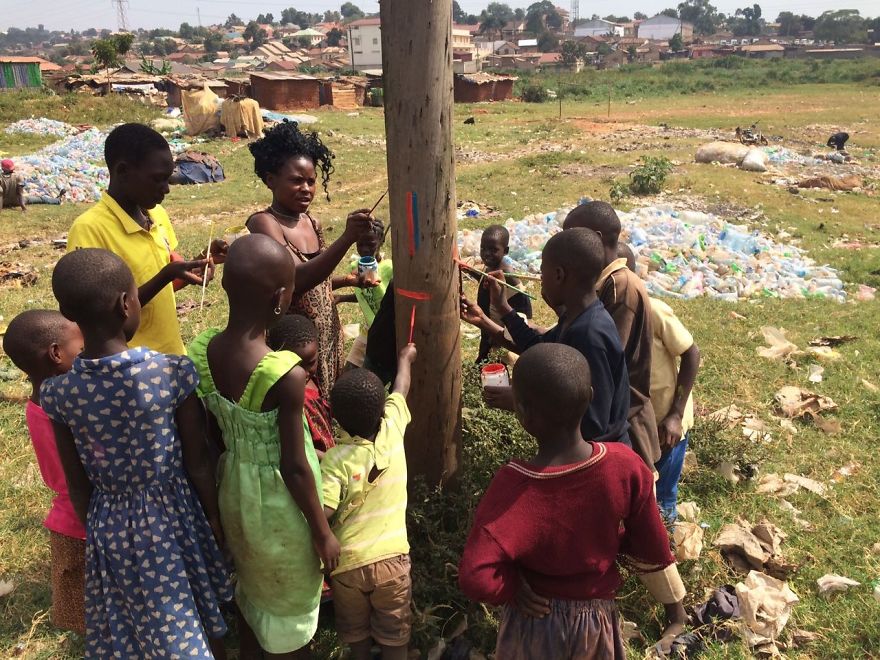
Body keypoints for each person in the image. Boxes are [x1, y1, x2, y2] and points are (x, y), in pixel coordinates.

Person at [39, 248, 232, 659]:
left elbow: (78, 483)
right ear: (127, 303)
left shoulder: (59, 393)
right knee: (189, 605)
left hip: (109, 521)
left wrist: (100, 534)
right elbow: (197, 461)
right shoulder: (172, 373)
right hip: (173, 514)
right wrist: (214, 515)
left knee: (137, 619)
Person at [458, 343, 687, 659]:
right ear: (590, 396)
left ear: (521, 412)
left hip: (534, 621)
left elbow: (476, 577)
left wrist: (511, 589)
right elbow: (651, 543)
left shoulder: (513, 485)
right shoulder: (624, 464)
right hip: (595, 622)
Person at [188, 233, 340, 658]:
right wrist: (323, 531)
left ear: (224, 286)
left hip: (233, 491)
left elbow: (208, 437)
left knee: (253, 589)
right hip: (280, 508)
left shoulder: (202, 352)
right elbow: (294, 466)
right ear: (280, 300)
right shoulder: (284, 373)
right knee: (287, 604)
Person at [461, 227, 630, 444]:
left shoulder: (589, 334)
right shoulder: (577, 317)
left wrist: (523, 402)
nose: (540, 280)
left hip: (600, 461)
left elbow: (593, 422)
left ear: (559, 275)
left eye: (542, 273)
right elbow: (538, 347)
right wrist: (496, 312)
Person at [66, 123, 222, 356]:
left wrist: (195, 266)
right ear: (122, 171)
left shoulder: (156, 215)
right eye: (158, 179)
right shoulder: (90, 229)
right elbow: (102, 314)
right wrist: (167, 274)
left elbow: (165, 283)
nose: (166, 189)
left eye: (168, 179)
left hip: (170, 354)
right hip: (129, 366)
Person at [246, 121, 373, 397]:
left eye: (311, 181)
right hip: (295, 345)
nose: (306, 188)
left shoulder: (310, 222)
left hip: (326, 336)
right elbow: (296, 280)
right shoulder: (264, 224)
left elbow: (320, 283)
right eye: (296, 180)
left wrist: (350, 277)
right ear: (270, 180)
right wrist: (345, 239)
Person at [322, 345, 417, 660]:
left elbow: (326, 509)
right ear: (382, 409)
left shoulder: (336, 459)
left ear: (336, 418)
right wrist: (404, 359)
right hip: (392, 562)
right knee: (395, 637)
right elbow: (401, 387)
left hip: (347, 566)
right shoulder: (392, 430)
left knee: (356, 636)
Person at [3, 310, 86, 635]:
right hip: (85, 519)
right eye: (80, 349)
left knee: (83, 605)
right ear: (56, 354)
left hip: (65, 521)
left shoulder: (35, 406)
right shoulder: (65, 413)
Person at [562, 201, 660, 468]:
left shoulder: (620, 287)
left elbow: (600, 357)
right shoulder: (605, 283)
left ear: (594, 239)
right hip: (614, 417)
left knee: (633, 495)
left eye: (572, 237)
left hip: (624, 421)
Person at [619, 245, 700, 523]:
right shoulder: (610, 313)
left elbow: (691, 354)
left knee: (663, 493)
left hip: (667, 420)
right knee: (642, 488)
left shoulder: (654, 310)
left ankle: (666, 548)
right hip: (640, 420)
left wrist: (676, 414)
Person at [268, 314, 335, 458]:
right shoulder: (288, 396)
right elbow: (300, 447)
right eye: (296, 365)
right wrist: (332, 459)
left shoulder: (313, 379)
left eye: (311, 363)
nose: (304, 373)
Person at [334, 219, 394, 368]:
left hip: (386, 331)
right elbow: (366, 296)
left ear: (381, 241)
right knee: (349, 370)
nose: (365, 249)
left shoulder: (389, 268)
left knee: (373, 372)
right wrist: (342, 298)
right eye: (360, 244)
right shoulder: (355, 267)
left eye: (371, 244)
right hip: (368, 330)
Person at [475, 224, 533, 363]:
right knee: (483, 360)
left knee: (496, 365)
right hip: (487, 326)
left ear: (505, 251)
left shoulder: (509, 277)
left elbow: (524, 307)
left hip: (500, 334)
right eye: (483, 248)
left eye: (493, 250)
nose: (487, 253)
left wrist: (511, 331)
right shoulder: (490, 267)